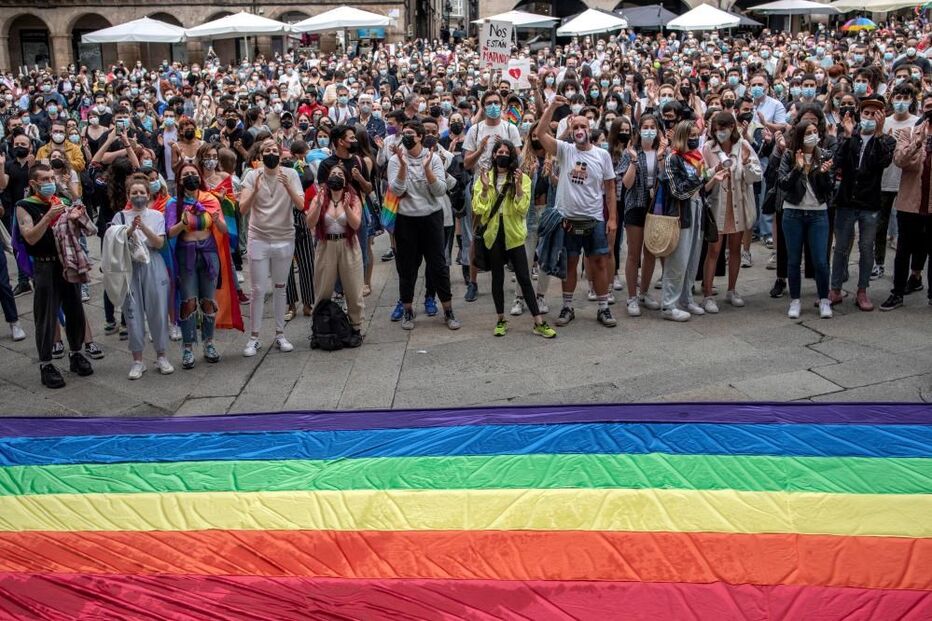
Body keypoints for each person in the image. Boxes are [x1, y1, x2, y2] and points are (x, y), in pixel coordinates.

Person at [535, 95, 618, 328]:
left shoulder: (602, 155)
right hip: (568, 219)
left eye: (584, 126)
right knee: (570, 263)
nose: (580, 130)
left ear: (590, 129)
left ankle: (604, 307)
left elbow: (610, 188)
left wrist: (612, 218)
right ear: (570, 131)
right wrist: (552, 106)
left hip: (594, 218)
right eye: (576, 127)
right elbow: (540, 134)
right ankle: (567, 307)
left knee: (599, 262)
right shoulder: (565, 150)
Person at [15, 164, 95, 387]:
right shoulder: (25, 206)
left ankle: (76, 353)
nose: (50, 182)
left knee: (75, 309)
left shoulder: (61, 201)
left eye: (52, 178)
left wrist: (76, 217)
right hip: (44, 265)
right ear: (33, 183)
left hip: (66, 263)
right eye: (45, 179)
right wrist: (47, 216)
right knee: (46, 314)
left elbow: (82, 231)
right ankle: (46, 363)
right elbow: (30, 237)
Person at [472, 140, 556, 339]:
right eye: (499, 152)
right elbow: (478, 208)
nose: (502, 155)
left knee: (524, 278)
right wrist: (485, 189)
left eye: (506, 152)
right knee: (497, 278)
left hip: (514, 235)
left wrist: (518, 187)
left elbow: (522, 209)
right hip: (493, 234)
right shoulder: (485, 177)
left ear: (511, 156)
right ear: (493, 155)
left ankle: (538, 322)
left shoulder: (522, 178)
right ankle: (501, 319)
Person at [166, 162, 243, 369]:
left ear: (199, 177)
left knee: (208, 301)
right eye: (185, 175)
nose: (190, 177)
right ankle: (188, 347)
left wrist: (217, 220)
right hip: (186, 254)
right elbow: (169, 233)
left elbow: (225, 230)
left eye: (193, 173)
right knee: (189, 302)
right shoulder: (174, 203)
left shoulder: (210, 199)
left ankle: (209, 343)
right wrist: (182, 224)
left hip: (209, 253)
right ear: (179, 180)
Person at [387, 120, 460, 330]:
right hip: (406, 220)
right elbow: (397, 191)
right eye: (404, 133)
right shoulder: (395, 160)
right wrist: (403, 166)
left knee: (438, 266)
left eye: (410, 133)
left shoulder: (433, 158)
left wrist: (427, 170)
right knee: (407, 267)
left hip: (431, 218)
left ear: (420, 136)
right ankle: (408, 311)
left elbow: (440, 190)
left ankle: (448, 310)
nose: (406, 137)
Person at [830, 96, 895, 311]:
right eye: (866, 113)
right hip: (847, 200)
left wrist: (878, 134)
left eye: (874, 114)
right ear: (860, 114)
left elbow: (882, 162)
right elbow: (838, 161)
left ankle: (862, 290)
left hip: (870, 202)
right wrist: (848, 136)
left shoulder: (886, 140)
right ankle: (835, 288)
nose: (869, 117)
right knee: (841, 247)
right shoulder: (849, 135)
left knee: (866, 247)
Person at [239, 138, 304, 356]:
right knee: (257, 289)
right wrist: (255, 190)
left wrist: (288, 186)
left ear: (280, 153)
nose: (271, 153)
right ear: (260, 155)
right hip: (258, 237)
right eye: (266, 150)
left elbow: (301, 205)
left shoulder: (291, 174)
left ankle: (280, 334)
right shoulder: (252, 176)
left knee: (280, 286)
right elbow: (242, 209)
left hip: (284, 237)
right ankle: (254, 337)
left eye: (274, 150)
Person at [108, 173, 173, 379]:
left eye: (142, 192)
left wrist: (142, 226)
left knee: (158, 310)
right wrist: (130, 230)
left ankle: (161, 355)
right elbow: (113, 243)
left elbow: (159, 243)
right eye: (134, 192)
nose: (138, 196)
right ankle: (137, 360)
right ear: (128, 195)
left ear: (148, 194)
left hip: (153, 262)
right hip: (130, 266)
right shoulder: (120, 217)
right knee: (132, 312)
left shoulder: (156, 215)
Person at [659, 120, 721, 322]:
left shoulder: (697, 157)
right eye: (690, 135)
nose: (694, 139)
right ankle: (669, 305)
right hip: (681, 213)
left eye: (696, 135)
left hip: (698, 209)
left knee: (693, 258)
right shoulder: (673, 159)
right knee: (678, 260)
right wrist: (700, 177)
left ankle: (686, 299)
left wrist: (712, 173)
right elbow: (677, 191)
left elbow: (702, 186)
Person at [701, 111, 762, 313]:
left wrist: (746, 162)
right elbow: (702, 175)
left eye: (723, 128)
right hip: (717, 205)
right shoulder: (708, 148)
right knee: (714, 250)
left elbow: (757, 176)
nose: (720, 133)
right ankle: (708, 294)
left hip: (738, 204)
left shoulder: (742, 146)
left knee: (735, 249)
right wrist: (715, 169)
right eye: (716, 129)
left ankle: (732, 289)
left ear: (732, 127)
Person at [778, 120, 835, 320]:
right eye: (808, 133)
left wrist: (824, 174)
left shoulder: (825, 155)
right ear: (800, 136)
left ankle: (824, 299)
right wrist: (798, 168)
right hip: (793, 212)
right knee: (793, 260)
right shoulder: (789, 155)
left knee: (820, 260)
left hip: (818, 213)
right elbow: (783, 184)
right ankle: (795, 300)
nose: (812, 136)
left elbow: (829, 188)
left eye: (815, 132)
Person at [880, 103, 932, 311]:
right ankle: (898, 292)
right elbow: (900, 161)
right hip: (909, 203)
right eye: (928, 107)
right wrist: (918, 144)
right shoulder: (909, 132)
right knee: (903, 250)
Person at [306, 166, 364, 347]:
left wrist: (346, 208)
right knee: (323, 289)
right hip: (326, 245)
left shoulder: (353, 198)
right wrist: (317, 205)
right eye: (333, 174)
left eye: (340, 174)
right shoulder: (320, 197)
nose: (336, 177)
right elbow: (310, 223)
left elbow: (356, 225)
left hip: (348, 245)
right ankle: (318, 329)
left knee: (354, 289)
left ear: (345, 180)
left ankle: (356, 328)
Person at [619, 114, 663, 316]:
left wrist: (661, 157)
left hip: (655, 207)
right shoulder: (630, 152)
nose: (649, 130)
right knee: (634, 254)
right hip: (635, 205)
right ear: (639, 130)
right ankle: (632, 297)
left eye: (652, 127)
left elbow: (664, 178)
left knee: (651, 251)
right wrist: (634, 161)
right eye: (645, 127)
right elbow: (626, 184)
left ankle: (644, 292)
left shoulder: (662, 152)